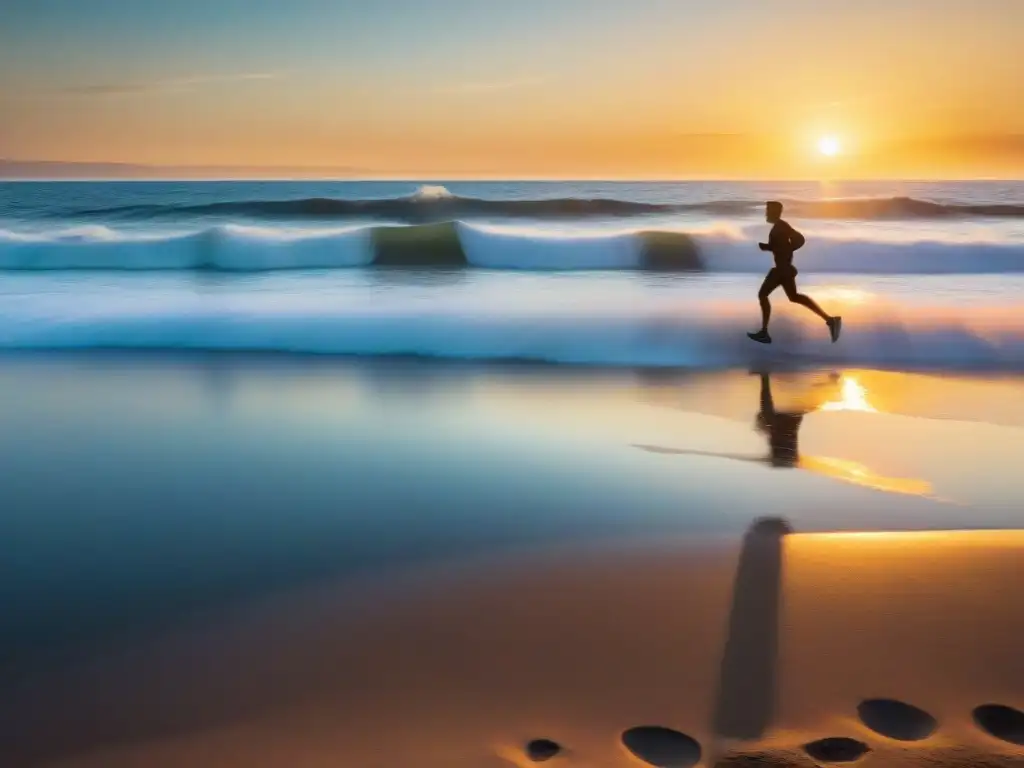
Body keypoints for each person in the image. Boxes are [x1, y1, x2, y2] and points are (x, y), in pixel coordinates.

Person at [747, 201, 841, 344]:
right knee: (794, 297)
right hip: (785, 268)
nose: (766, 213)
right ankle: (830, 320)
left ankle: (764, 333)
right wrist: (772, 247)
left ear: (774, 212)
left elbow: (800, 240)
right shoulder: (780, 227)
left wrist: (781, 249)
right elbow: (783, 245)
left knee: (763, 294)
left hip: (782, 269)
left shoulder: (781, 227)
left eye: (768, 211)